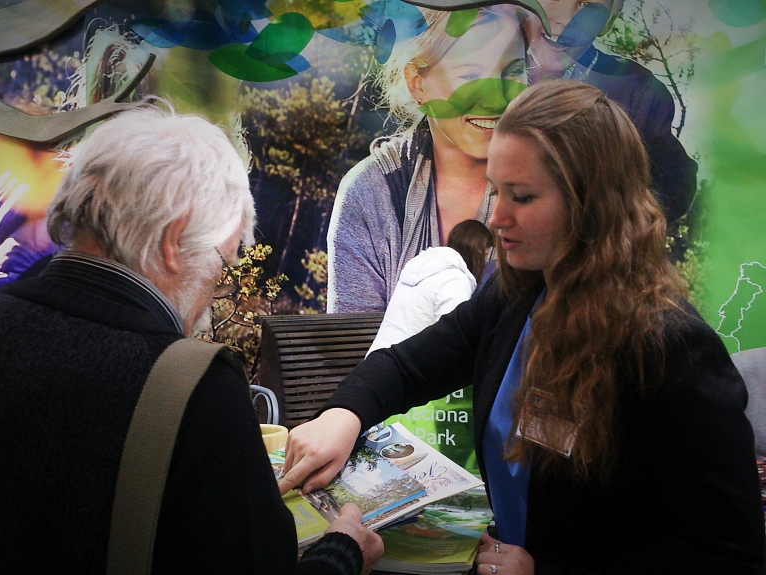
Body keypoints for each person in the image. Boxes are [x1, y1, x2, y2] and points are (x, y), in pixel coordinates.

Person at [279, 80, 765, 574]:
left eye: (523, 196)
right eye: (494, 190)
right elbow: (410, 366)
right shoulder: (516, 295)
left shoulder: (673, 349)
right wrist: (344, 414)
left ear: (591, 202)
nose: (495, 216)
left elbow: (728, 554)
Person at [0, 106, 383, 574]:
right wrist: (341, 552)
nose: (213, 295)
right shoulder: (187, 386)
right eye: (223, 266)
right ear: (172, 242)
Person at [327, 2, 541, 313]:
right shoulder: (371, 192)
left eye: (513, 71)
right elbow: (353, 351)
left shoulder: (556, 183)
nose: (496, 96)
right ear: (417, 82)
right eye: (470, 74)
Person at [526, 0, 697, 223]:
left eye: (588, 4)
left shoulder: (634, 90)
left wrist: (607, 216)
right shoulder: (478, 62)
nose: (567, 20)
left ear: (608, 21)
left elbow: (676, 182)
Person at [367, 219, 493, 354]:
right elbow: (452, 341)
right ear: (476, 253)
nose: (484, 264)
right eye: (484, 256)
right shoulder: (456, 280)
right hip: (402, 367)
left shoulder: (420, 267)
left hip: (376, 361)